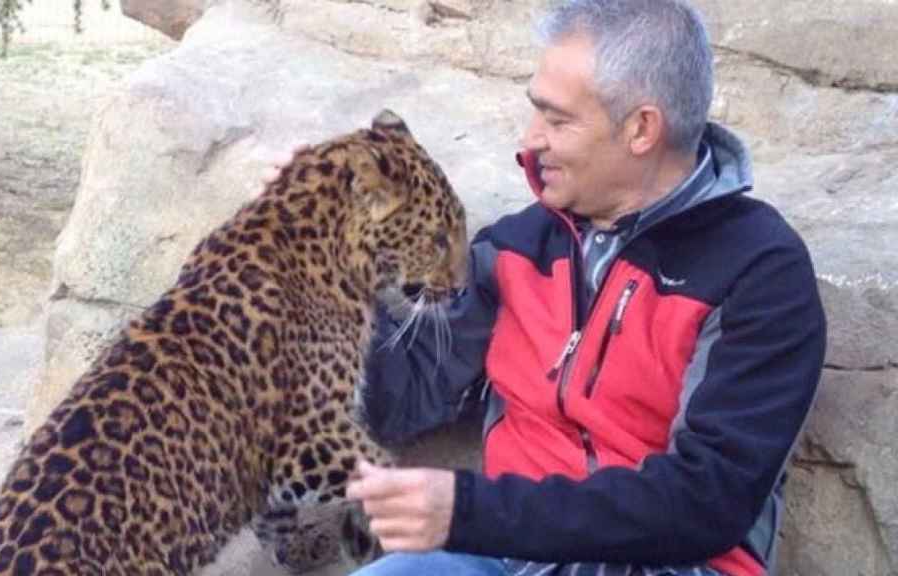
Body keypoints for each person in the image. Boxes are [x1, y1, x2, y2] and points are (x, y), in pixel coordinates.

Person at [343, 1, 827, 575]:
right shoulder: (517, 250)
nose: (530, 140)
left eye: (557, 120)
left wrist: (470, 511)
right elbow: (392, 395)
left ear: (641, 129)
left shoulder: (760, 270)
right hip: (505, 558)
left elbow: (707, 500)